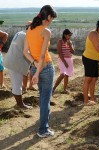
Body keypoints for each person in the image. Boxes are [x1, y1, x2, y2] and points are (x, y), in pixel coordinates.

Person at [23, 5, 57, 138]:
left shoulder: (30, 29)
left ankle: (43, 126)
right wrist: (37, 73)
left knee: (43, 98)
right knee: (45, 100)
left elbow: (25, 52)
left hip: (36, 66)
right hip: (46, 68)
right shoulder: (46, 31)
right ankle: (43, 130)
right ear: (48, 17)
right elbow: (43, 56)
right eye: (52, 18)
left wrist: (34, 65)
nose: (52, 21)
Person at [4, 23, 32, 109]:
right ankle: (20, 104)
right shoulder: (26, 36)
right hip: (15, 63)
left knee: (16, 83)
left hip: (12, 60)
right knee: (17, 84)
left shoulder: (20, 33)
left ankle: (20, 103)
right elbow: (29, 51)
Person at [53, 29, 74, 94]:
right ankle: (53, 88)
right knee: (63, 74)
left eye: (70, 35)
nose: (70, 36)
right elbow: (59, 52)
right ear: (65, 35)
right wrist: (64, 62)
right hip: (62, 59)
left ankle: (64, 89)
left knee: (67, 75)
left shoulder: (70, 42)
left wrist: (70, 45)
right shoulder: (60, 41)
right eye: (69, 35)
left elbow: (73, 52)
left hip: (69, 59)